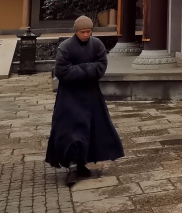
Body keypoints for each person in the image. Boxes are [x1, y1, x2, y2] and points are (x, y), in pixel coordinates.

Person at [45, 15, 124, 186]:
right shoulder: (65, 47)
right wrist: (88, 69)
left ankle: (82, 163)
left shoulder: (97, 45)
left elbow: (101, 65)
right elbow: (62, 71)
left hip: (91, 94)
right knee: (69, 130)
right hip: (69, 95)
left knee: (90, 128)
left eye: (89, 31)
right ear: (76, 31)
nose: (86, 35)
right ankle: (72, 165)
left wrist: (81, 70)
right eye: (83, 32)